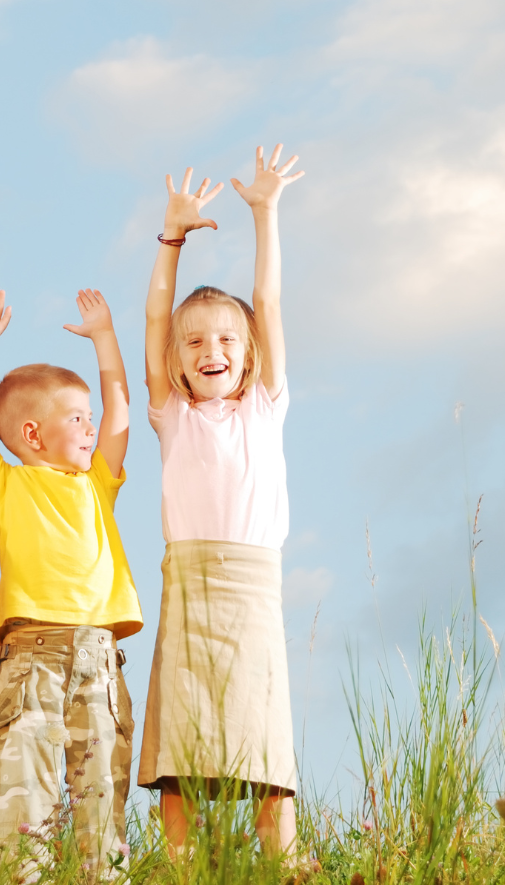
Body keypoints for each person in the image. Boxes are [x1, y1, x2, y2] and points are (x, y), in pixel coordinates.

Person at [135, 147, 306, 860]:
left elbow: (267, 304)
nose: (213, 350)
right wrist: (171, 239)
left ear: (250, 352)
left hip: (252, 582)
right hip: (190, 579)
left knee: (262, 724)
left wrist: (265, 214)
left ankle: (283, 858)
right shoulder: (172, 412)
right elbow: (153, 318)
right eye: (196, 341)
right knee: (184, 724)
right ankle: (179, 862)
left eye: (227, 340)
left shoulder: (264, 406)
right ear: (177, 359)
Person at [0, 286, 141, 873]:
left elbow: (121, 408)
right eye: (76, 419)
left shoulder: (97, 482)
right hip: (29, 657)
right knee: (18, 808)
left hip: (97, 657)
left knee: (102, 810)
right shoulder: (5, 485)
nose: (92, 429)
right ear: (33, 434)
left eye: (90, 420)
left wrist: (105, 337)